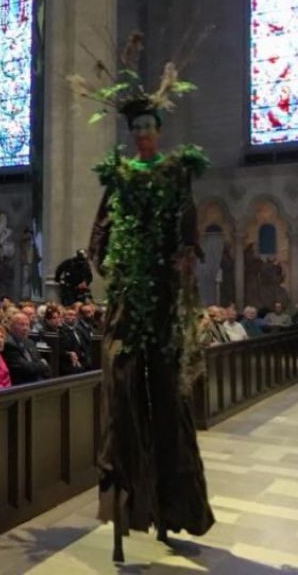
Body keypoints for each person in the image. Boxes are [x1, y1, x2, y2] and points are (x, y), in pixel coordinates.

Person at [88, 94, 214, 557]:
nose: (142, 132)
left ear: (158, 131)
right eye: (136, 126)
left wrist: (180, 257)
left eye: (149, 125)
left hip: (160, 299)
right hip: (126, 297)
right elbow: (100, 231)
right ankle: (126, 507)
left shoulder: (175, 174)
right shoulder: (120, 177)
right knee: (121, 394)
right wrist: (110, 262)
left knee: (166, 397)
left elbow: (186, 229)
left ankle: (174, 507)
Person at [1, 312, 50, 383]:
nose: (25, 328)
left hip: (38, 381)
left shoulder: (30, 342)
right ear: (11, 326)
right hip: (22, 385)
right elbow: (26, 368)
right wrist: (42, 364)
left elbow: (43, 366)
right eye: (21, 325)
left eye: (27, 325)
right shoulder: (8, 344)